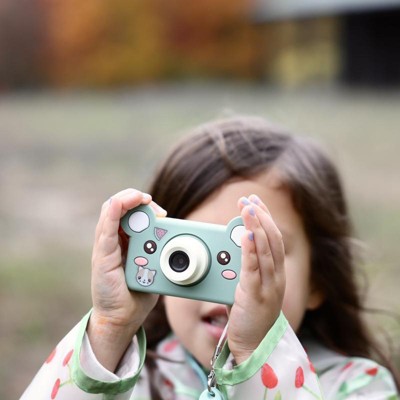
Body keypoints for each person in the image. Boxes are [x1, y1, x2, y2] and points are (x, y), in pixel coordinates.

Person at [21, 115, 399, 400]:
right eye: (189, 250)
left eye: (257, 252)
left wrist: (256, 355)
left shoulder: (358, 386)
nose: (231, 284)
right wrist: (109, 330)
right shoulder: (133, 378)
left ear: (318, 278)